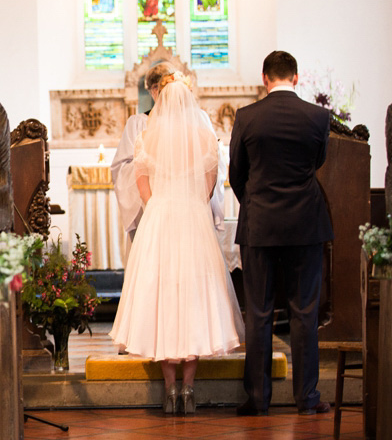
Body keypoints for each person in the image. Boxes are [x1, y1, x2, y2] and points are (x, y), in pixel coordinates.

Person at [110, 72, 244, 415]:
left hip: (160, 219)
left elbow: (143, 191)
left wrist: (162, 206)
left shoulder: (146, 139)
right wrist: (188, 203)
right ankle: (189, 389)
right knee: (195, 300)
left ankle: (169, 391)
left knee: (162, 300)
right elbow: (209, 187)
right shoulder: (204, 138)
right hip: (192, 218)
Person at [229, 50, 333, 416]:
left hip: (259, 226)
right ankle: (306, 398)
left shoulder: (247, 117)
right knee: (304, 312)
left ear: (264, 78)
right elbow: (316, 163)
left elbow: (236, 173)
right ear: (297, 77)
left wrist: (255, 203)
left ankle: (258, 399)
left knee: (258, 312)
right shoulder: (318, 117)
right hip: (305, 225)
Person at [112, 62, 225, 244]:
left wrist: (158, 207)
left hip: (160, 211)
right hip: (187, 211)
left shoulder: (147, 134)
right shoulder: (139, 122)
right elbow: (212, 174)